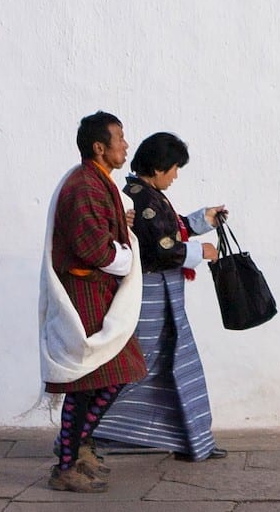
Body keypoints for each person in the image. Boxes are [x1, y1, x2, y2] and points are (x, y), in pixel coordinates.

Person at [93, 131, 230, 462]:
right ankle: (88, 434)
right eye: (173, 168)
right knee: (136, 365)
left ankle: (187, 438)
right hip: (151, 298)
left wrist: (202, 220)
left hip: (162, 299)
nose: (175, 175)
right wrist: (200, 251)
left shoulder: (146, 195)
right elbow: (160, 247)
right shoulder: (139, 198)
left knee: (162, 365)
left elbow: (170, 231)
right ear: (158, 167)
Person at [38, 112, 148, 494]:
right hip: (85, 296)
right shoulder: (83, 186)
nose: (126, 145)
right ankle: (67, 465)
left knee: (113, 375)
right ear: (99, 147)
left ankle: (77, 449)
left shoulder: (97, 183)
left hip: (99, 294)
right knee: (86, 382)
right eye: (120, 137)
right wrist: (128, 254)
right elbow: (92, 247)